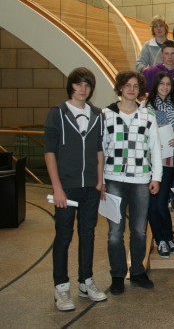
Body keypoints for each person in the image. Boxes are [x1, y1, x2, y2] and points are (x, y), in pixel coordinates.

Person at [45, 67, 107, 311]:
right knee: (64, 235)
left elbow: (99, 150)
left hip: (91, 186)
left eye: (88, 85)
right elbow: (49, 153)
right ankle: (61, 287)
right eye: (79, 84)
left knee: (88, 234)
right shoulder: (57, 113)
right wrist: (57, 188)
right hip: (67, 188)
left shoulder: (97, 114)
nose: (83, 88)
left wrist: (100, 181)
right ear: (71, 86)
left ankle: (86, 281)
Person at [103, 71, 161, 295]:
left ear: (140, 90)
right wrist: (100, 180)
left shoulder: (147, 116)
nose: (131, 89)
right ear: (119, 88)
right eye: (127, 85)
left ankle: (137, 271)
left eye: (135, 86)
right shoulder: (106, 115)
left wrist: (156, 177)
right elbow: (100, 149)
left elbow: (155, 148)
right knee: (115, 232)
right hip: (113, 179)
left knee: (138, 230)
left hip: (140, 180)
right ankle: (117, 274)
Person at [141, 72, 174, 259]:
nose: (165, 87)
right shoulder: (146, 106)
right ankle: (161, 240)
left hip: (169, 161)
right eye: (162, 84)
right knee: (153, 204)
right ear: (156, 85)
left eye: (168, 84)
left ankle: (168, 237)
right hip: (149, 161)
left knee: (159, 202)